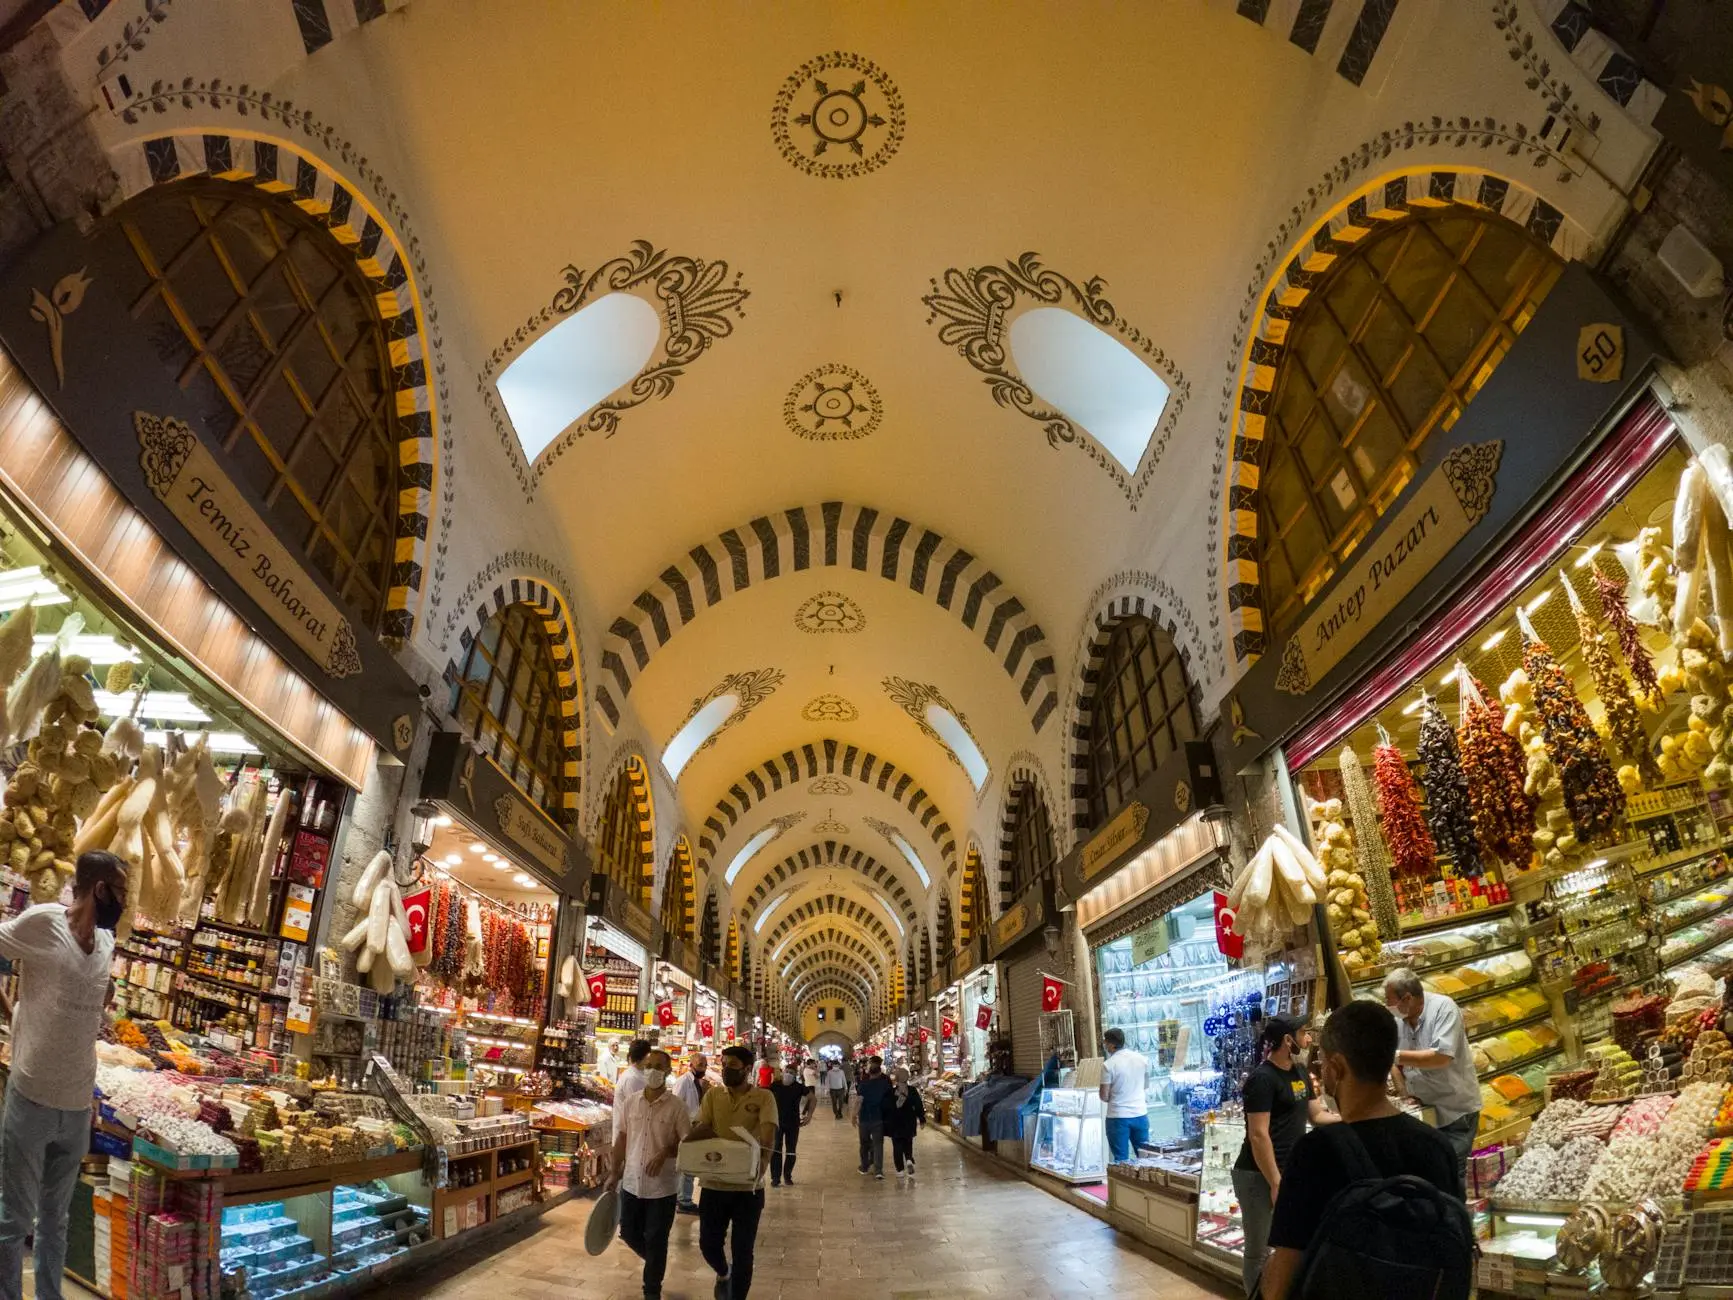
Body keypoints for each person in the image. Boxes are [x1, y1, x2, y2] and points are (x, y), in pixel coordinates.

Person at [1258, 1002, 1463, 1300]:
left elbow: (1283, 1277)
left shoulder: (1314, 1153)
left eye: (1325, 1063)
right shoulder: (1437, 1146)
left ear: (1338, 1068)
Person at [0, 850, 127, 1300]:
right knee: (13, 1221)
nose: (124, 901)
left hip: (76, 1107)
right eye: (121, 891)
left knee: (56, 1222)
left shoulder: (108, 943)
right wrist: (12, 1010)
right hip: (31, 1096)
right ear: (99, 889)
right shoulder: (43, 922)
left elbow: (93, 993)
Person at [1232, 1017, 1338, 1297]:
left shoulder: (1301, 1072)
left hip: (1289, 1174)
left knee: (1289, 1245)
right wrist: (1276, 1181)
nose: (1307, 1040)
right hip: (1257, 1175)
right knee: (1259, 1249)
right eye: (1303, 1033)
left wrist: (1348, 1118)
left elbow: (1316, 1115)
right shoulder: (1262, 1079)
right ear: (1287, 1040)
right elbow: (1258, 1135)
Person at [684, 1045, 776, 1299]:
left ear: (747, 1069)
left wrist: (762, 1167)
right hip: (714, 1183)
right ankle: (723, 1272)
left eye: (732, 1066)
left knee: (743, 1250)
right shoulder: (713, 1096)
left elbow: (768, 1135)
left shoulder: (763, 1098)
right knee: (708, 1243)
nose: (726, 1070)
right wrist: (683, 1144)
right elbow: (703, 1126)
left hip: (748, 1189)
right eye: (724, 1065)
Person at [1384, 967, 1481, 1184]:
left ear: (1407, 998)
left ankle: (1456, 1216)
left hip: (1455, 1111)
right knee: (1430, 1175)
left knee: (1451, 1173)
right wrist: (1404, 1095)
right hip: (1425, 1112)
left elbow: (1441, 1057)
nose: (1387, 1006)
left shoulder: (1443, 1008)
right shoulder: (1400, 1020)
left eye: (1389, 1001)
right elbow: (1394, 1063)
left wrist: (1395, 1055)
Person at [607, 1048, 690, 1300]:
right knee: (628, 1232)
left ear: (667, 1071)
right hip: (632, 1182)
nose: (652, 1070)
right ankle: (655, 1261)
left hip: (662, 1187)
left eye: (658, 1066)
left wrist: (666, 1151)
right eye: (648, 1065)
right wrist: (614, 1172)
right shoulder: (631, 1101)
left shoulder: (677, 1107)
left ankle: (652, 1289)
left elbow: (686, 1144)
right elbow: (621, 1138)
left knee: (656, 1238)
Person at [1099, 1027, 1150, 1161]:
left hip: (1118, 1117)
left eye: (1105, 1042)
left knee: (1121, 1160)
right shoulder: (1142, 1060)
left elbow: (1104, 1095)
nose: (1105, 1045)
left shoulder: (1108, 1065)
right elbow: (1146, 1085)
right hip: (1141, 1114)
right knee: (1145, 1157)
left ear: (1111, 1044)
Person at [672, 1052, 708, 1215]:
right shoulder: (683, 1082)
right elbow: (676, 1106)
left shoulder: (697, 1083)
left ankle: (684, 1198)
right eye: (700, 1064)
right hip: (684, 1129)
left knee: (690, 1165)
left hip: (693, 1128)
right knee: (685, 1167)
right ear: (691, 1065)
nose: (703, 1068)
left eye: (705, 1065)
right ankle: (683, 1200)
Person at [766, 1062, 814, 1186]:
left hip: (793, 1123)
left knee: (791, 1150)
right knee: (776, 1149)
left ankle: (788, 1176)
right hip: (777, 1122)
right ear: (783, 1072)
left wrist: (809, 1116)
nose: (788, 1075)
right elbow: (765, 1097)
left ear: (795, 1075)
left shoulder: (799, 1087)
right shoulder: (775, 1085)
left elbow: (813, 1098)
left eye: (791, 1073)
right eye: (786, 1072)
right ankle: (775, 1178)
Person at [851, 1055, 893, 1179]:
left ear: (869, 1073)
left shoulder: (864, 1084)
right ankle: (878, 1170)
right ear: (880, 1072)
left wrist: (854, 1115)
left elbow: (859, 1101)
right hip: (879, 1118)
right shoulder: (885, 1084)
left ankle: (864, 1166)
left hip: (864, 1118)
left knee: (864, 1144)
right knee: (878, 1144)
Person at [883, 1066, 926, 1181]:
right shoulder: (912, 1091)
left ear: (896, 1079)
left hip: (895, 1122)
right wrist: (922, 1119)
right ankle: (908, 1159)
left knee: (897, 1146)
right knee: (908, 1142)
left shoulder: (891, 1092)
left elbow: (886, 1108)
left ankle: (900, 1170)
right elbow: (918, 1106)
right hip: (909, 1121)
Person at [616, 1037, 653, 1114]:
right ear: (643, 1057)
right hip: (629, 1124)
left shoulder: (638, 1073)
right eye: (649, 1056)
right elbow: (637, 1109)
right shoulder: (632, 1078)